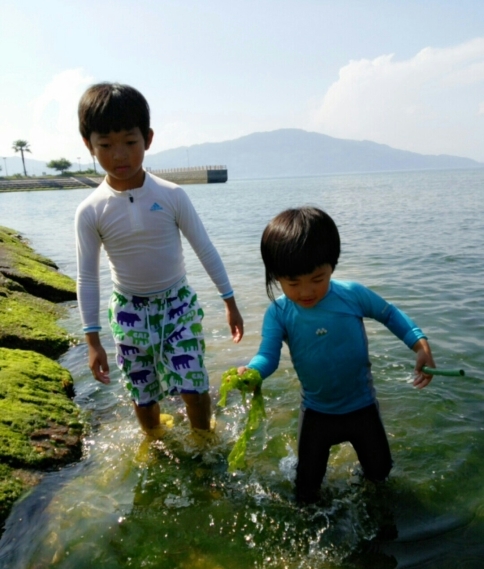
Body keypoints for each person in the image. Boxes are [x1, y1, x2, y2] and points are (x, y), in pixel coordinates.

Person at [75, 82, 243, 439]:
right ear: (89, 145)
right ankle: (153, 441)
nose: (120, 155)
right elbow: (87, 277)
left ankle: (204, 443)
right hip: (128, 310)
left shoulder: (171, 195)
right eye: (106, 145)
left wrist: (230, 301)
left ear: (148, 139)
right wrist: (92, 340)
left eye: (130, 143)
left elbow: (205, 248)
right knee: (143, 392)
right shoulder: (90, 210)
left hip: (177, 303)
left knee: (194, 386)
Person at [238, 206, 435, 503]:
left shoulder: (351, 295)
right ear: (276, 276)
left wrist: (420, 345)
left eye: (318, 278)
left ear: (333, 265)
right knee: (306, 489)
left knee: (381, 475)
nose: (306, 291)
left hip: (362, 408)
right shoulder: (279, 312)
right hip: (316, 413)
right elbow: (268, 356)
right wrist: (253, 373)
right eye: (293, 283)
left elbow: (389, 314)